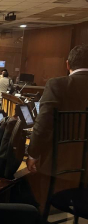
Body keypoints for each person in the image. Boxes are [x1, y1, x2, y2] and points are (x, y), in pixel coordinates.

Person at [26, 45, 88, 209]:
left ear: (67, 65)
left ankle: (41, 214)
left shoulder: (57, 84)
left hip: (59, 171)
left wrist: (33, 154)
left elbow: (43, 124)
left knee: (25, 186)